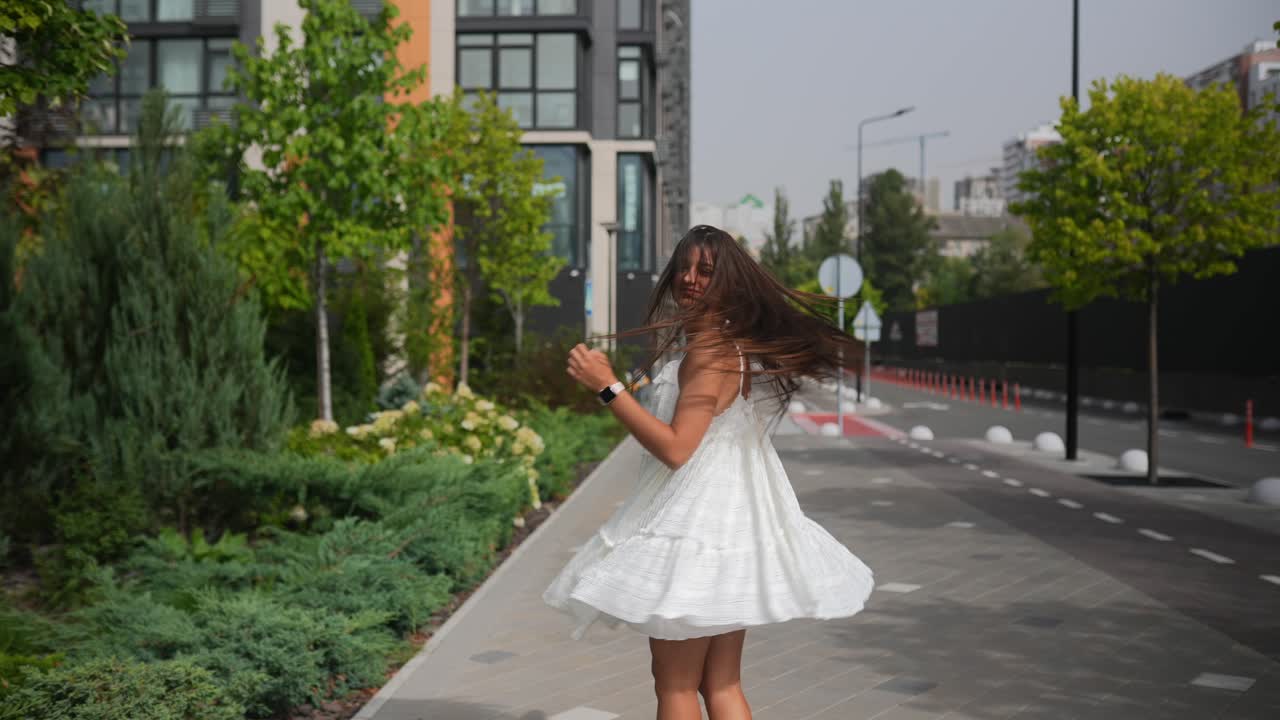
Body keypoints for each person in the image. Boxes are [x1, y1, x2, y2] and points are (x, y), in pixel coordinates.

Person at [542, 225, 875, 720]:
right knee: (719, 684)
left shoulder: (709, 351)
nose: (690, 279)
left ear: (730, 284)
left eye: (707, 272)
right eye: (685, 267)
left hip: (695, 527)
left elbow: (677, 448)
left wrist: (609, 387)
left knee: (675, 685)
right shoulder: (726, 345)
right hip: (726, 525)